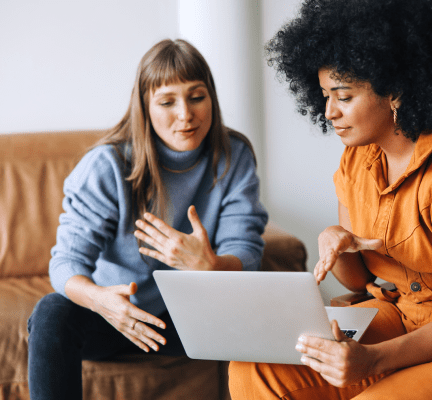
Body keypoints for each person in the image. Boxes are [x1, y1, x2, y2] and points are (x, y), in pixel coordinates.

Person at [229, 0, 432, 399]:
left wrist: (374, 360)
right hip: (404, 313)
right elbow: (357, 280)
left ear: (397, 91)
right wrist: (336, 242)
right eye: (324, 95)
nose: (329, 112)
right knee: (258, 368)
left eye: (344, 95)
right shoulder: (357, 159)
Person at [27, 38, 268, 399]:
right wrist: (100, 301)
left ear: (212, 99)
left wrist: (211, 265)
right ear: (145, 107)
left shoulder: (234, 154)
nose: (185, 114)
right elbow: (66, 263)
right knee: (51, 313)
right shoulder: (107, 166)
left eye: (196, 96)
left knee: (279, 311)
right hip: (116, 315)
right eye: (167, 101)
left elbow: (246, 248)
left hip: (195, 317)